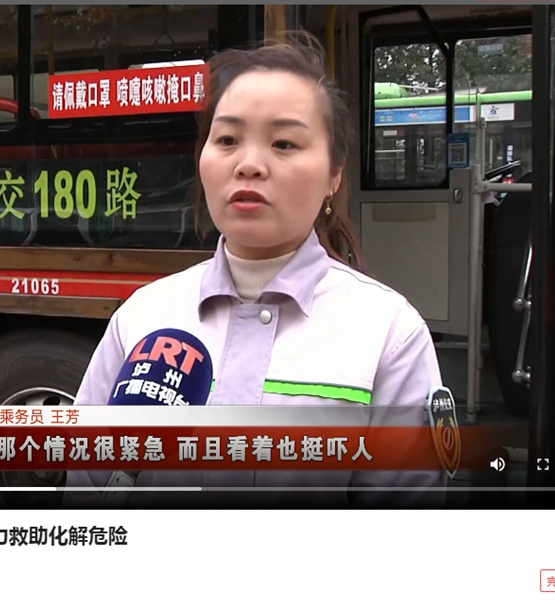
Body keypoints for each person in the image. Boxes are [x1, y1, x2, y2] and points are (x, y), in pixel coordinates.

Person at [65, 32, 447, 509]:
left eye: (284, 143)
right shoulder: (143, 316)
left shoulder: (389, 334)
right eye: (227, 139)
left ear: (334, 175)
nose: (249, 164)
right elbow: (86, 488)